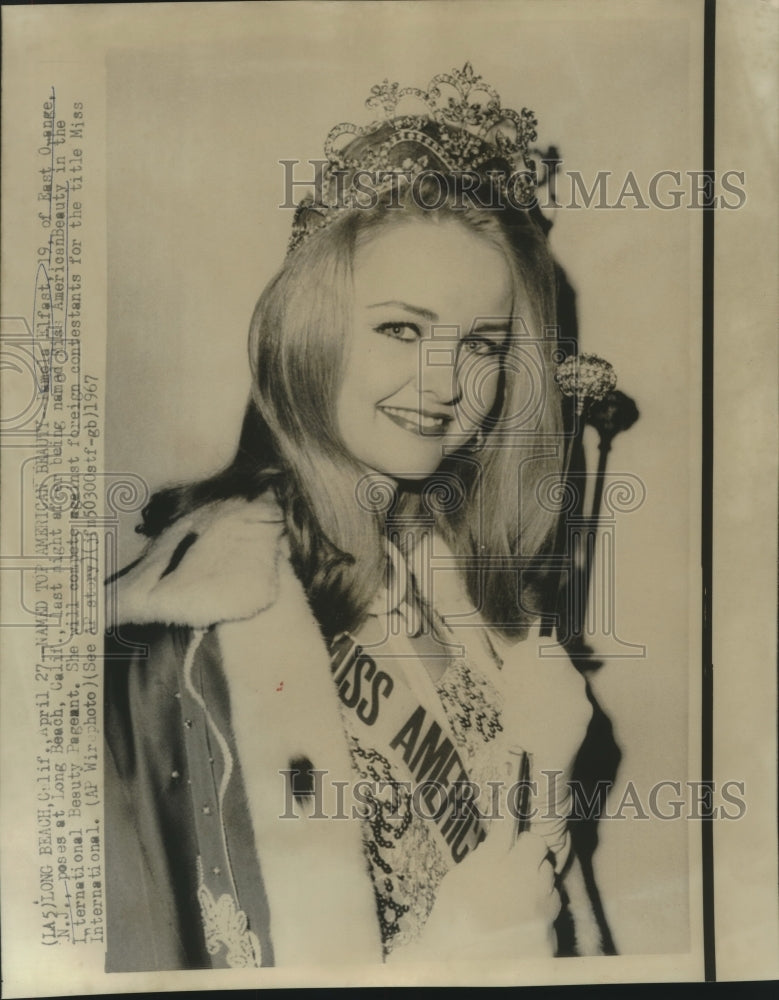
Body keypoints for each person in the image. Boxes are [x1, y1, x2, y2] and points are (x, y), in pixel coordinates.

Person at [104, 63, 600, 972]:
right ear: (312, 334)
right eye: (402, 330)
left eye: (481, 344)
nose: (445, 386)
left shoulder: (460, 584)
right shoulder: (200, 631)